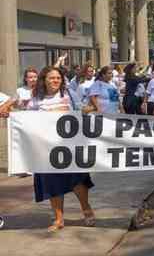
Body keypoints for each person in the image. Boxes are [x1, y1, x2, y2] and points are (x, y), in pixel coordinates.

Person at [1, 66, 95, 232]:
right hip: (45, 150)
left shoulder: (69, 95)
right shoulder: (36, 98)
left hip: (69, 148)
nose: (55, 81)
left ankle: (86, 210)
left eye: (58, 78)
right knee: (52, 183)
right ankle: (59, 219)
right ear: (44, 80)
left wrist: (85, 111)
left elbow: (83, 109)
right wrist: (9, 111)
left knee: (78, 181)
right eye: (51, 78)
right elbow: (20, 111)